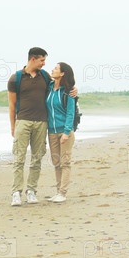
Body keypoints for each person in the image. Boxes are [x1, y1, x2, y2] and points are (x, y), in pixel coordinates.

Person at [7, 47, 51, 206]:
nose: (44, 63)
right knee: (19, 158)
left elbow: (59, 87)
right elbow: (12, 105)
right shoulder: (16, 78)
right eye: (42, 60)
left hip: (42, 122)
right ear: (33, 59)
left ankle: (31, 191)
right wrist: (13, 126)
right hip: (23, 121)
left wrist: (74, 89)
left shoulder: (45, 76)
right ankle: (16, 193)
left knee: (37, 158)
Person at [45, 62, 76, 203]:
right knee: (56, 163)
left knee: (65, 163)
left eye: (56, 68)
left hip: (65, 132)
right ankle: (58, 192)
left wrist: (67, 132)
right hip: (52, 132)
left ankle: (63, 193)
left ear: (62, 73)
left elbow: (70, 113)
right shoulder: (49, 88)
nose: (53, 69)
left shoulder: (68, 91)